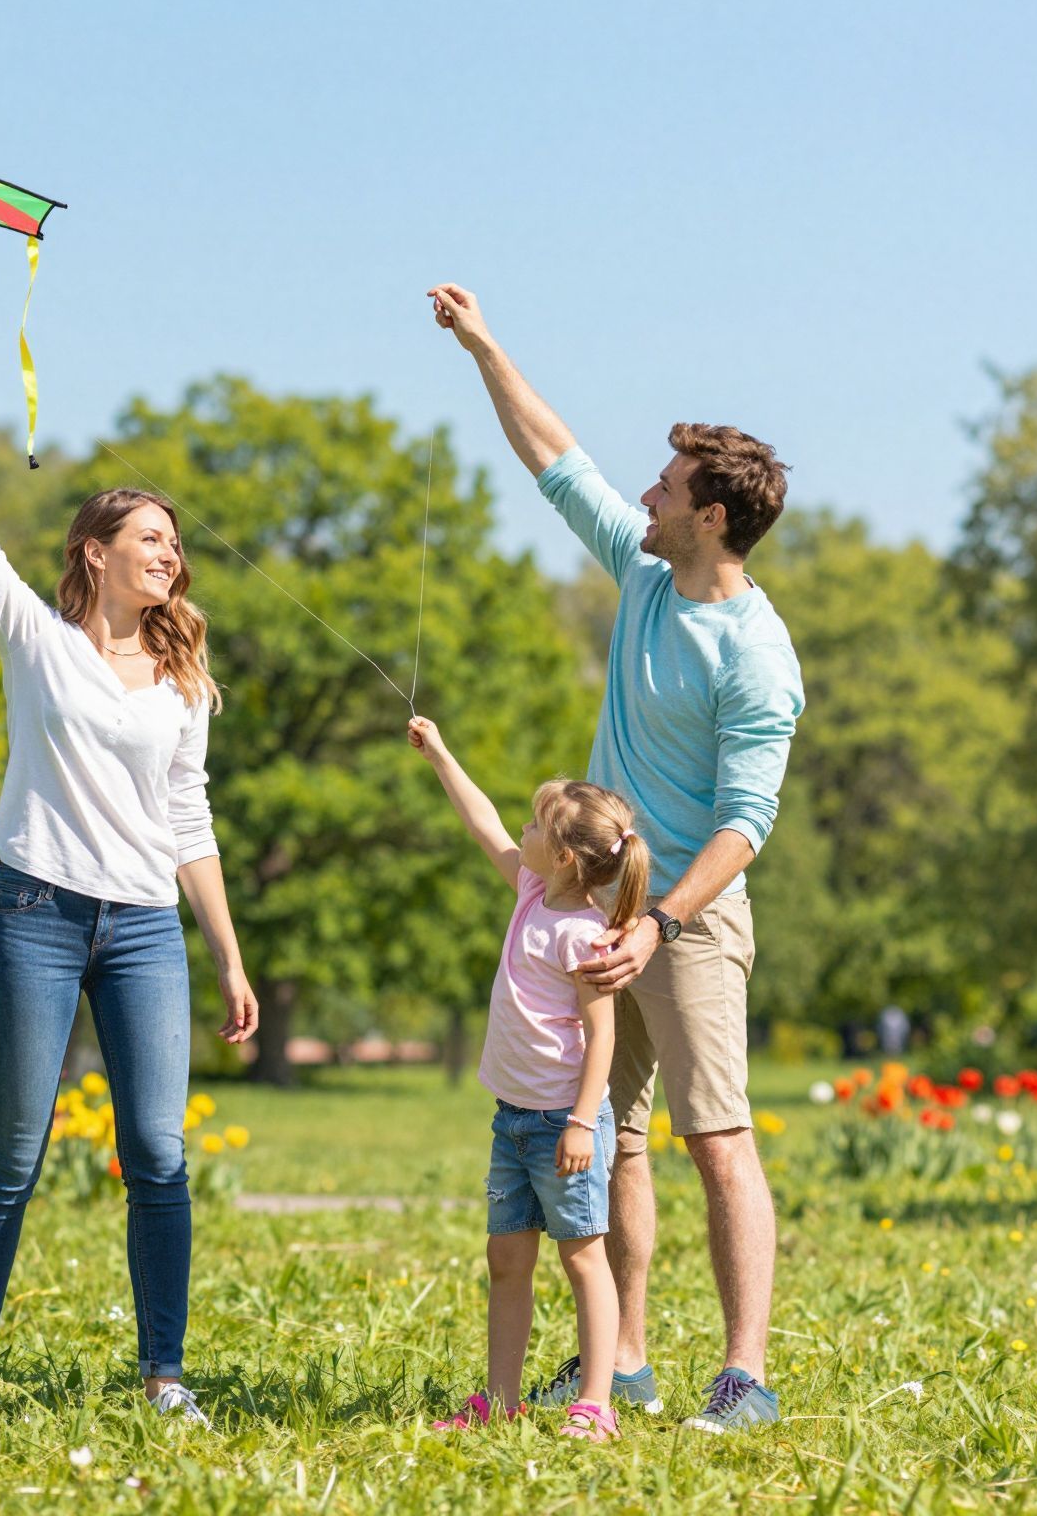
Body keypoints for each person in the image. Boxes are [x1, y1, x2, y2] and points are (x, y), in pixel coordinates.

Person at [0, 344, 261, 1428]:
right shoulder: (36, 639)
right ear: (95, 552)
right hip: (34, 914)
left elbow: (189, 820)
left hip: (145, 930)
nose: (170, 555)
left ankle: (164, 1376)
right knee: (13, 1152)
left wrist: (226, 953)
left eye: (174, 544)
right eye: (151, 538)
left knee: (157, 1155)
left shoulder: (183, 682)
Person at [428, 284, 805, 1432]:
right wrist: (483, 345)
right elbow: (557, 459)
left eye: (666, 488)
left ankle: (742, 1376)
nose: (643, 495)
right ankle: (624, 1362)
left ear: (710, 518)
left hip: (686, 917)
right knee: (615, 1142)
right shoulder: (644, 576)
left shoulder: (754, 654)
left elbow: (745, 823)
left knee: (716, 1138)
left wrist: (661, 922)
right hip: (599, 913)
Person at [407, 714, 649, 1443]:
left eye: (538, 826)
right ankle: (500, 1399)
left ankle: (596, 1403)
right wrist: (441, 754)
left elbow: (603, 1037)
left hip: (562, 1125)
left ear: (566, 857)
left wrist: (580, 1124)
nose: (523, 830)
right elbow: (483, 821)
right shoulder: (530, 893)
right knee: (506, 1259)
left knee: (583, 1259)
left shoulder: (585, 935)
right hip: (512, 1118)